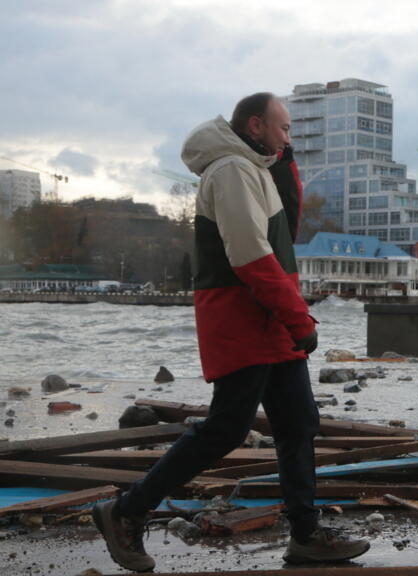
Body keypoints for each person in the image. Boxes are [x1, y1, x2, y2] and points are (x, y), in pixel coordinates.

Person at [92, 93, 370, 572]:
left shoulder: (254, 168)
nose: (289, 139)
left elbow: (271, 247)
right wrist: (298, 317)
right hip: (245, 318)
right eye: (284, 129)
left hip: (267, 318)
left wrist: (289, 315)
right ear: (256, 125)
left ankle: (306, 534)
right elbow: (250, 255)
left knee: (298, 423)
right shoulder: (232, 170)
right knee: (226, 428)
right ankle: (126, 511)